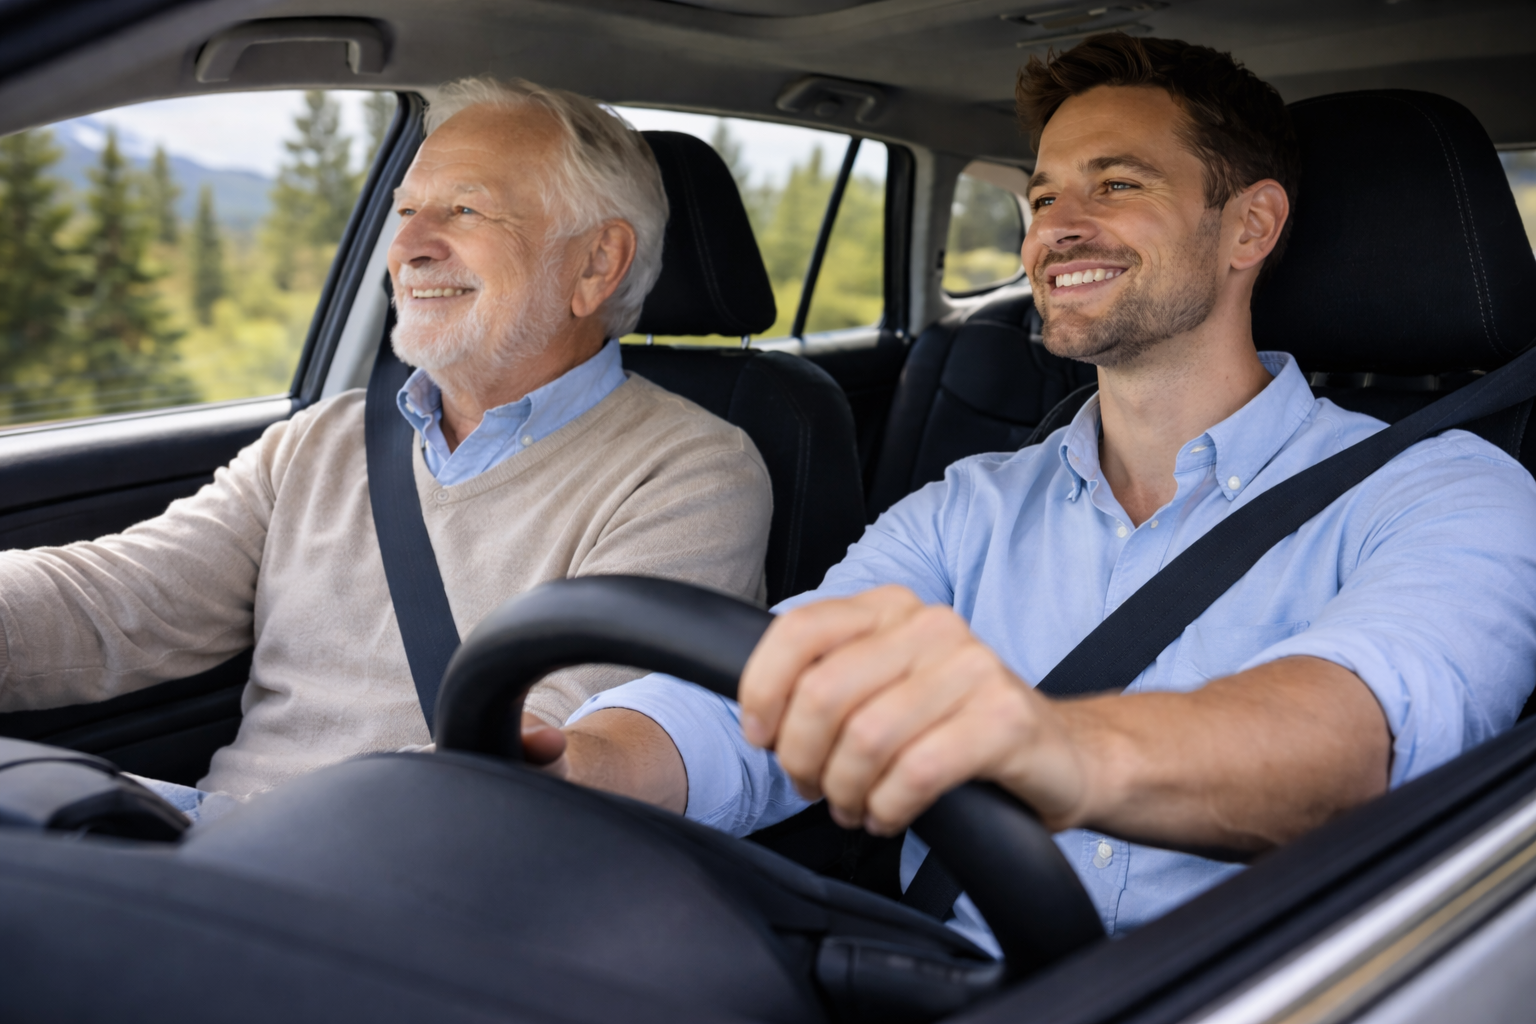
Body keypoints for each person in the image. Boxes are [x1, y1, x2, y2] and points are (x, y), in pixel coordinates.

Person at [522, 35, 1536, 953]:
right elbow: (776, 682)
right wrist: (585, 763)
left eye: (1118, 184)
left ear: (1250, 227)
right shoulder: (972, 503)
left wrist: (1049, 745)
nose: (1058, 229)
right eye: (1043, 197)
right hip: (951, 974)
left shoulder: (1449, 491)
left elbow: (1362, 734)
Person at [0, 79, 772, 815]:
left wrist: (245, 839)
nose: (407, 244)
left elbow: (545, 763)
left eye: (465, 210)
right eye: (406, 210)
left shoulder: (693, 471)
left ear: (597, 263)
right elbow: (111, 601)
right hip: (208, 855)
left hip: (399, 893)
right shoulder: (322, 440)